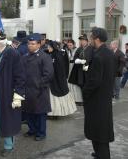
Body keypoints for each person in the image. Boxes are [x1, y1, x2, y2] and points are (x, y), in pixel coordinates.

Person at [82, 27, 115, 159]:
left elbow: (94, 81)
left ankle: (102, 155)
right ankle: (99, 153)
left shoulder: (99, 56)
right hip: (105, 96)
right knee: (101, 129)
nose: (89, 40)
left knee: (98, 130)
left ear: (96, 38)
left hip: (97, 99)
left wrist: (85, 92)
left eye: (91, 37)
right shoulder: (108, 52)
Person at [22, 33, 54, 141]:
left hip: (39, 90)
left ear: (39, 45)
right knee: (29, 112)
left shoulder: (45, 57)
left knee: (40, 113)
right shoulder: (25, 56)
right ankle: (32, 130)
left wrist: (38, 84)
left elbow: (48, 74)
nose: (29, 45)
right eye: (28, 43)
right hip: (27, 89)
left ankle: (41, 132)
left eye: (32, 44)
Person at [46, 41, 77, 117]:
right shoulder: (51, 54)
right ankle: (52, 113)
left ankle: (56, 113)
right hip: (52, 79)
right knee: (52, 97)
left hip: (57, 79)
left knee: (57, 97)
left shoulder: (58, 55)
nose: (48, 48)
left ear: (53, 47)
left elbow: (60, 69)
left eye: (49, 47)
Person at [68, 34, 93, 104]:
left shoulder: (91, 48)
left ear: (87, 41)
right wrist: (77, 60)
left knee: (87, 85)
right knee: (81, 84)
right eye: (81, 40)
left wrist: (87, 62)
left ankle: (88, 100)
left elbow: (92, 58)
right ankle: (84, 100)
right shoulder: (79, 49)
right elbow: (75, 57)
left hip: (88, 69)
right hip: (80, 70)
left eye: (83, 40)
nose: (81, 42)